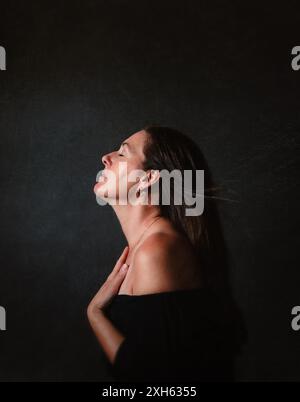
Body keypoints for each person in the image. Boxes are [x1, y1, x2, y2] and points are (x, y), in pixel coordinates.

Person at [87, 125, 247, 382]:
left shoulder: (157, 249)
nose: (106, 157)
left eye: (122, 154)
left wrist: (95, 313)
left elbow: (148, 378)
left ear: (148, 178)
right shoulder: (141, 248)